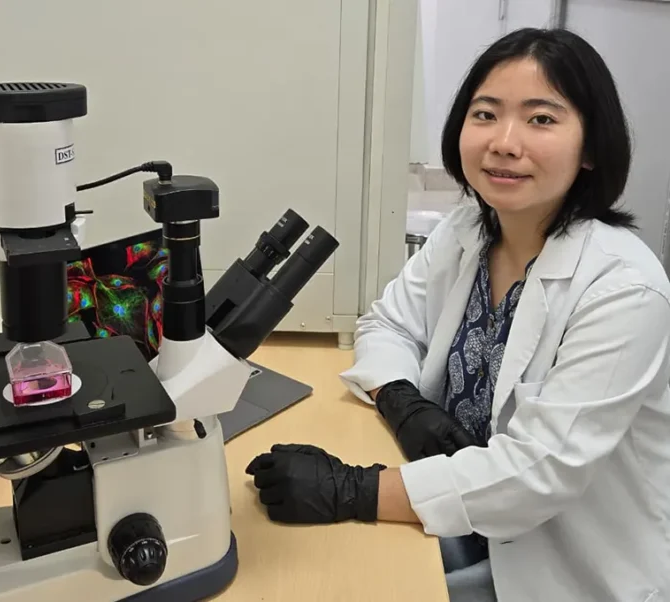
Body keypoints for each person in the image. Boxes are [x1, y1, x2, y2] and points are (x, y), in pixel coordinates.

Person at [245, 27, 670, 601]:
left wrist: (352, 489)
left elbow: (537, 474)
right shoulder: (468, 230)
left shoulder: (623, 289)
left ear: (591, 148)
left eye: (541, 119)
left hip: (562, 567)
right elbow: (388, 324)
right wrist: (401, 399)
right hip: (463, 525)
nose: (505, 142)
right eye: (485, 114)